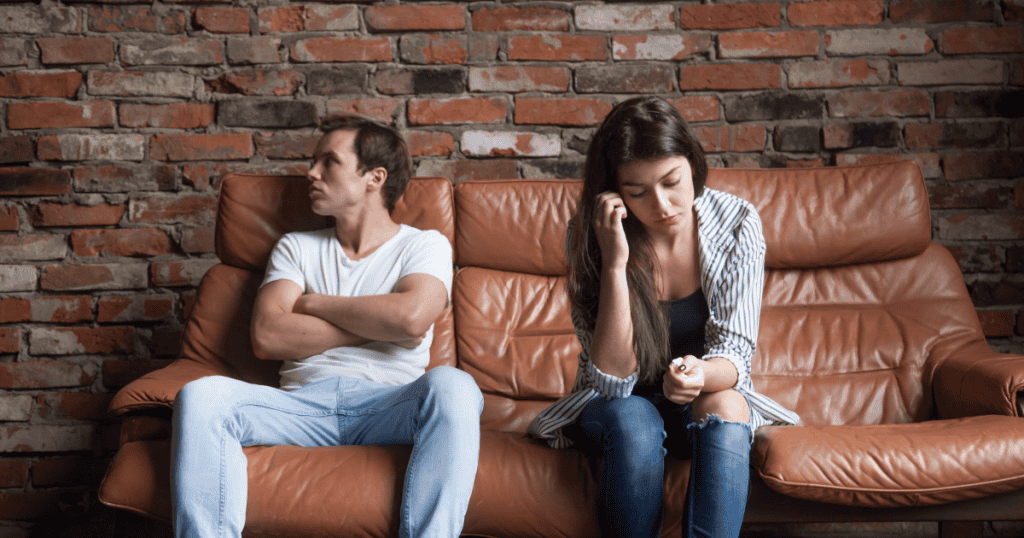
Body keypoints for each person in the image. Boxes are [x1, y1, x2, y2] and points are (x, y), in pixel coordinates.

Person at [170, 115, 483, 538]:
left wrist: (314, 304)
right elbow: (267, 336)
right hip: (301, 405)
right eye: (313, 162)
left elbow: (411, 317)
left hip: (387, 405)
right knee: (201, 395)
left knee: (456, 388)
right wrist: (383, 325)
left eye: (329, 162)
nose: (311, 173)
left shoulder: (424, 244)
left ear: (374, 177)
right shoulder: (296, 246)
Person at [528, 96, 800, 538]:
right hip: (616, 409)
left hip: (698, 396)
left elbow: (734, 359)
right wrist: (616, 263)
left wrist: (699, 375)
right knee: (636, 419)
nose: (662, 204)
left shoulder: (736, 223)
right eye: (637, 192)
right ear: (614, 192)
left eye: (672, 181)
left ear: (692, 163)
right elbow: (612, 381)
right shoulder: (592, 232)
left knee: (728, 405)